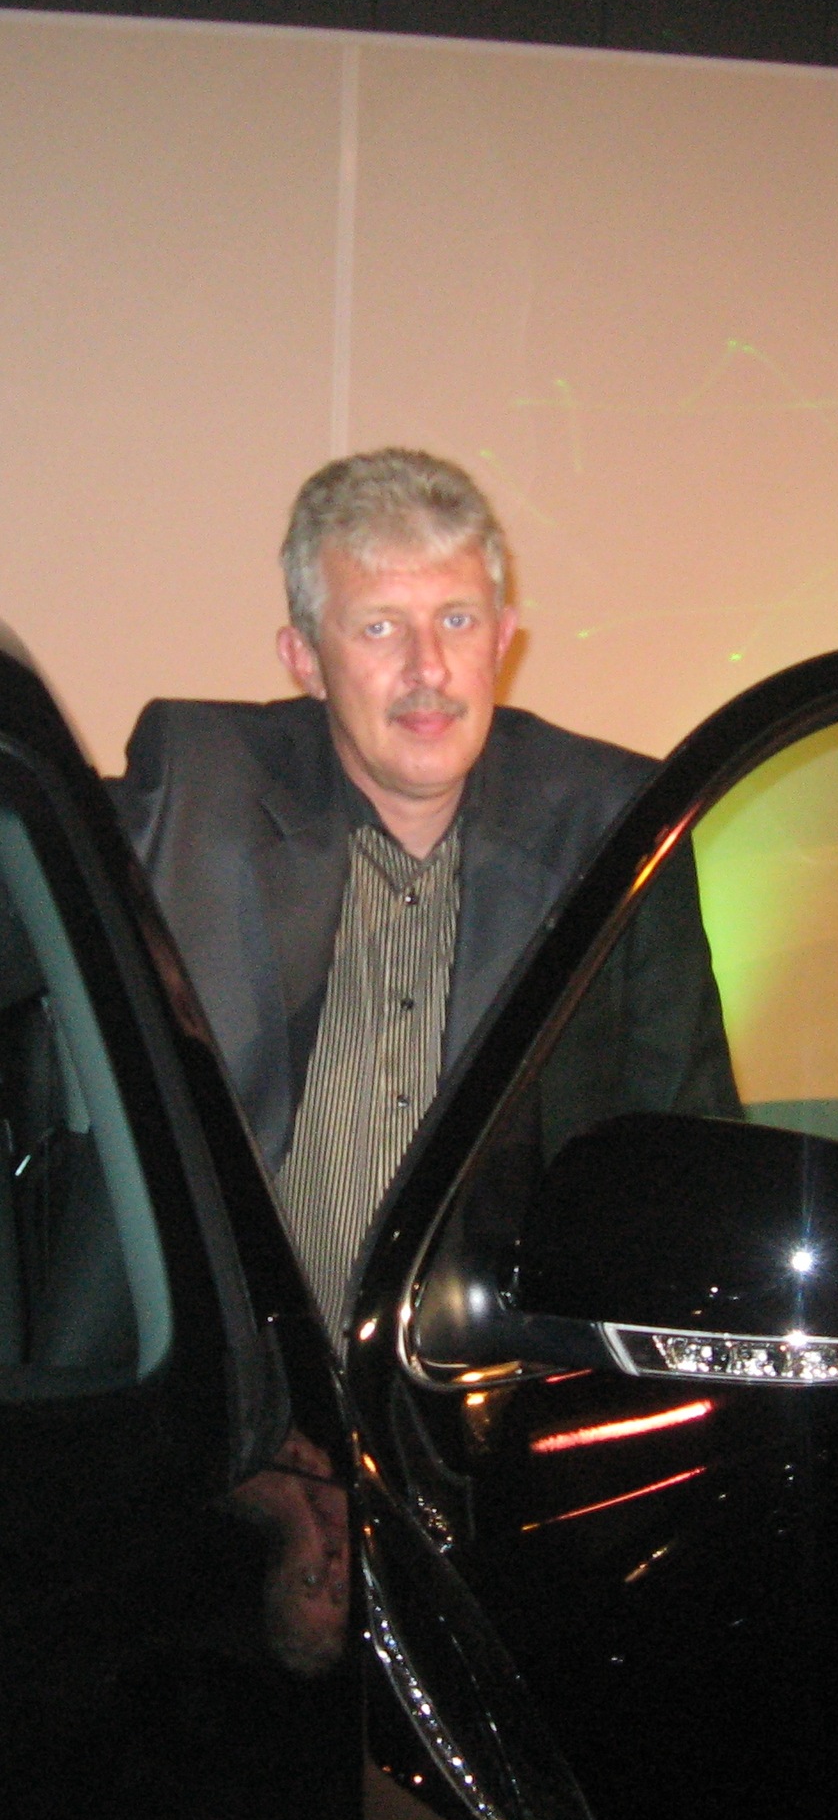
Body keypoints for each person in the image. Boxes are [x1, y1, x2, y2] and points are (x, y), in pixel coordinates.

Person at [113, 448, 735, 1347]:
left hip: (496, 1389)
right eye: (379, 628)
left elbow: (691, 1162)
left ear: (503, 638)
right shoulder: (195, 793)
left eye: (456, 620)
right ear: (304, 659)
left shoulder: (615, 827)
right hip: (245, 1395)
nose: (428, 668)